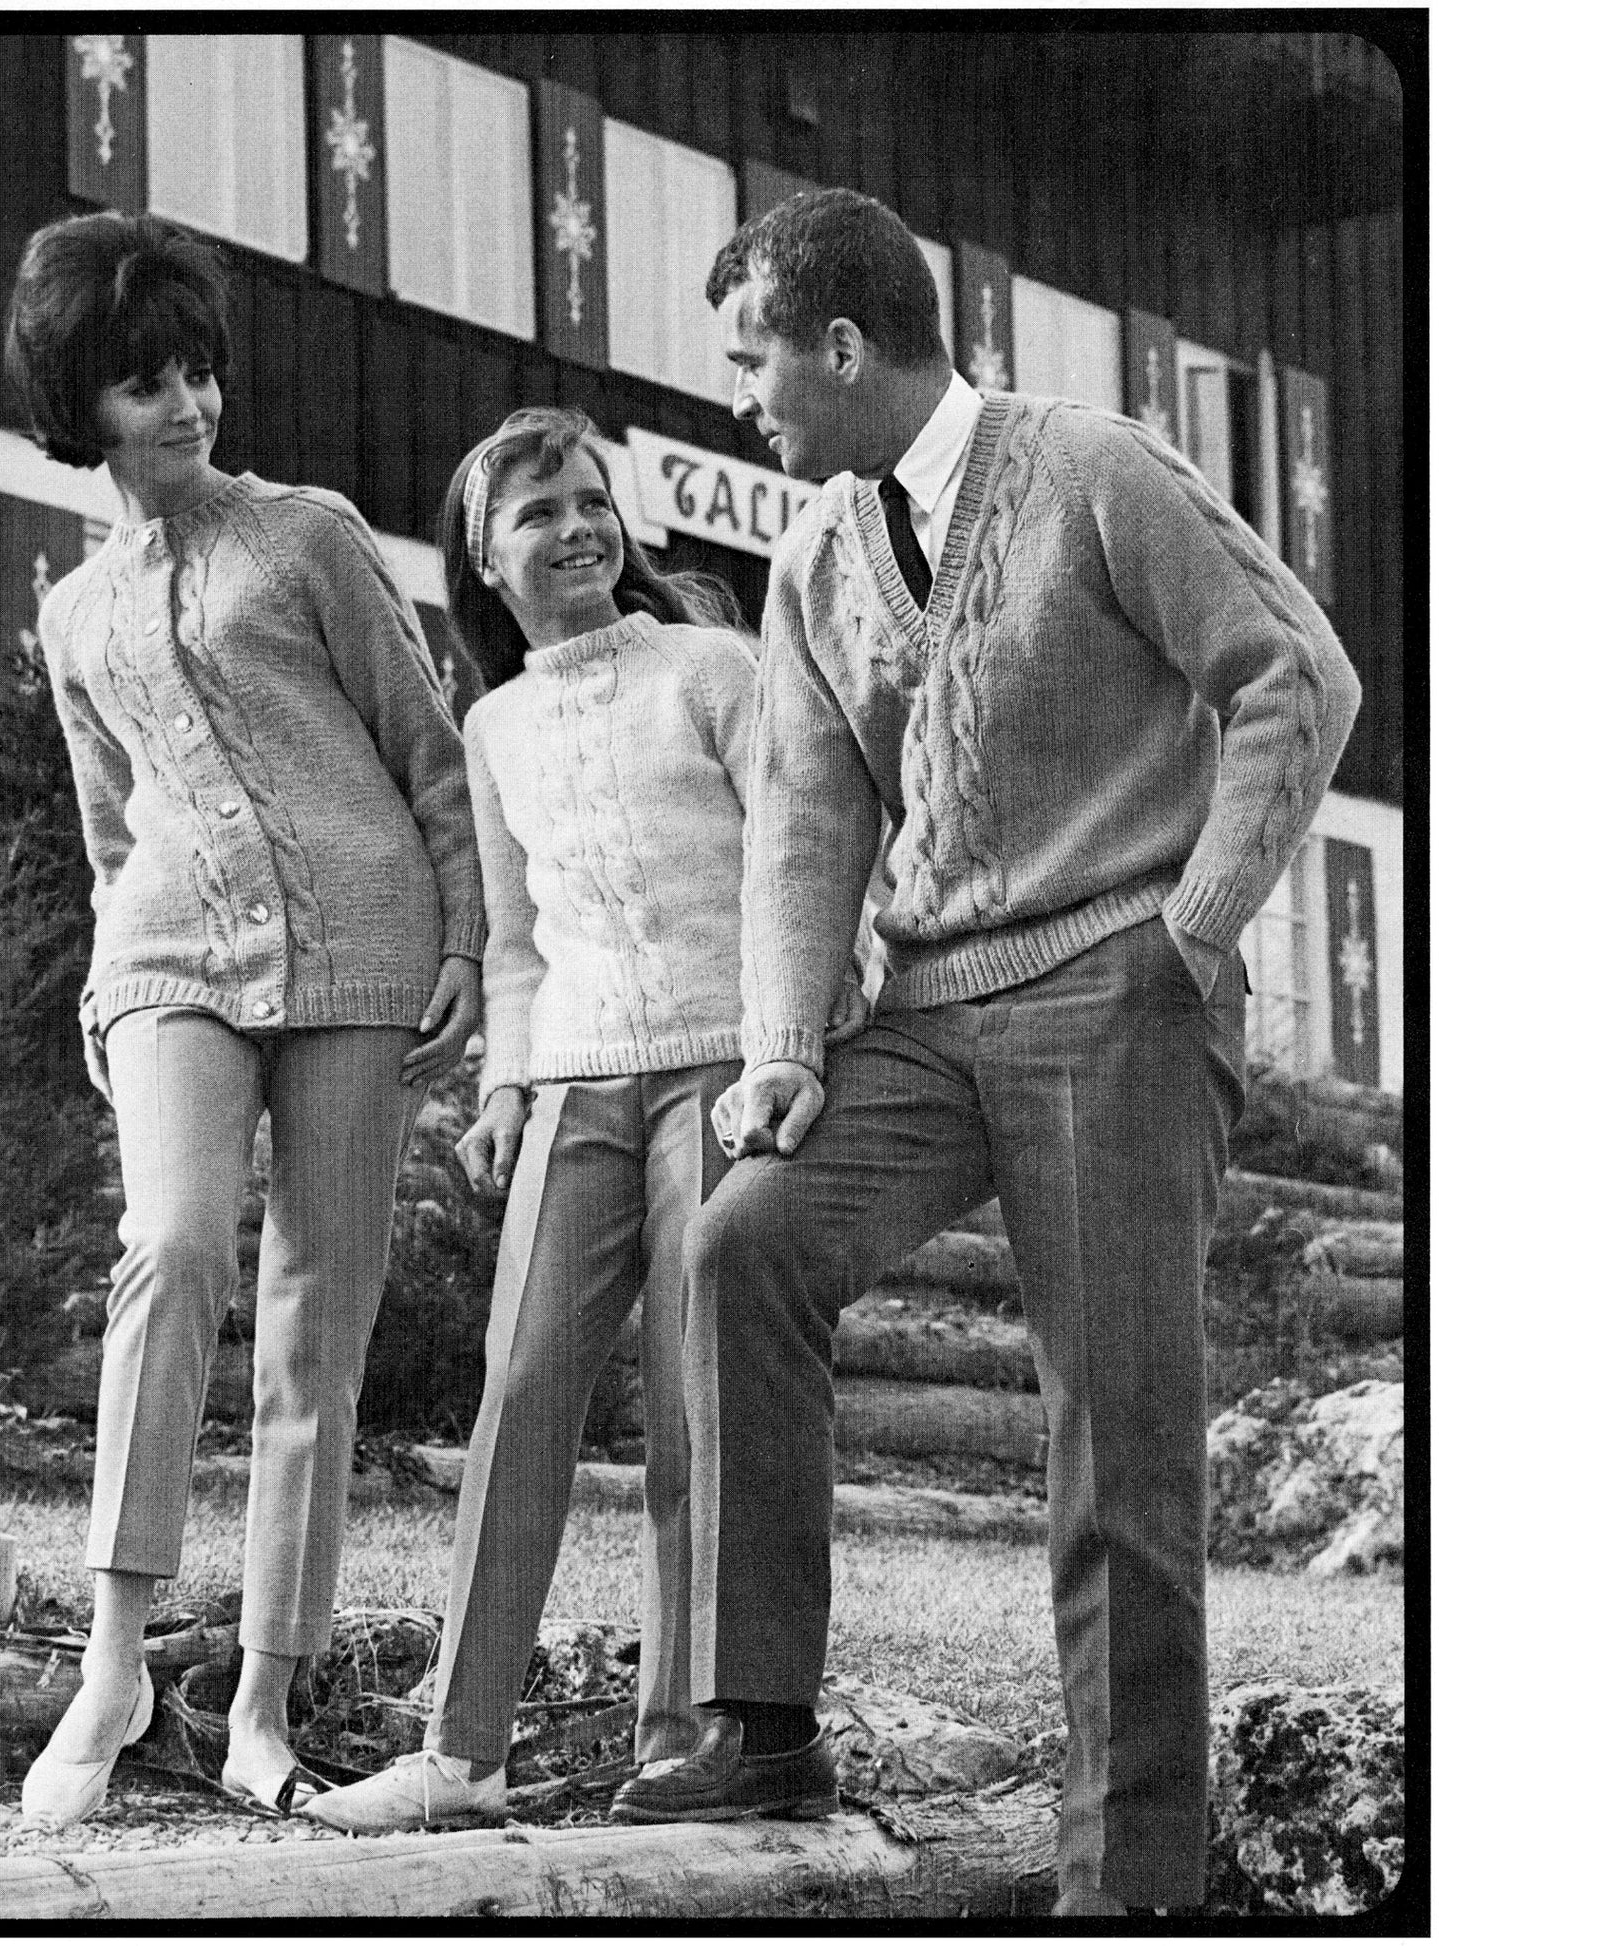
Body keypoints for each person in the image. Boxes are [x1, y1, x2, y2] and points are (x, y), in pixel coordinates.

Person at [607, 189, 1362, 1918]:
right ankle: (764, 1715)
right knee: (740, 1239)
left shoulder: (1095, 468)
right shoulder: (811, 556)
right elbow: (805, 818)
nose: (745, 400)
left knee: (1119, 1424)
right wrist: (786, 1042)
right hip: (926, 1012)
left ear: (843, 347)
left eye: (754, 362)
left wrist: (1196, 921)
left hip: (1116, 988)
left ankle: (1129, 1869)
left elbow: (1292, 677)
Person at [307, 407, 867, 1835]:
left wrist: (791, 1038)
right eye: (538, 512)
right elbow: (512, 941)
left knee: (699, 1412)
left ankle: (687, 1737)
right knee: (519, 1397)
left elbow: (799, 854)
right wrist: (502, 1085)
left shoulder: (714, 668)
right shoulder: (486, 724)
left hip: (720, 1073)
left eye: (588, 501)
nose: (575, 528)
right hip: (574, 1090)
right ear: (483, 560)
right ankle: (462, 1746)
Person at [1, 212, 485, 1825]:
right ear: (84, 403)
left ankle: (264, 1702)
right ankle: (113, 1656)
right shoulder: (72, 617)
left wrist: (469, 935)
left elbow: (427, 749)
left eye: (198, 369)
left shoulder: (309, 535)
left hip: (357, 945)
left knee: (312, 1325)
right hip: (165, 962)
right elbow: (107, 831)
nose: (189, 404)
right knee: (177, 1242)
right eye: (145, 383)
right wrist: (101, 979)